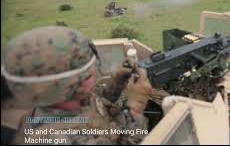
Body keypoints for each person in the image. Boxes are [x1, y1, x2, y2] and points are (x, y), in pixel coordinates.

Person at [1, 26, 152, 145]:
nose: (94, 75)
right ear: (80, 84)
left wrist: (116, 84)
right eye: (90, 73)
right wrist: (136, 108)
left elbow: (94, 104)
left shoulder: (58, 98)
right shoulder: (61, 138)